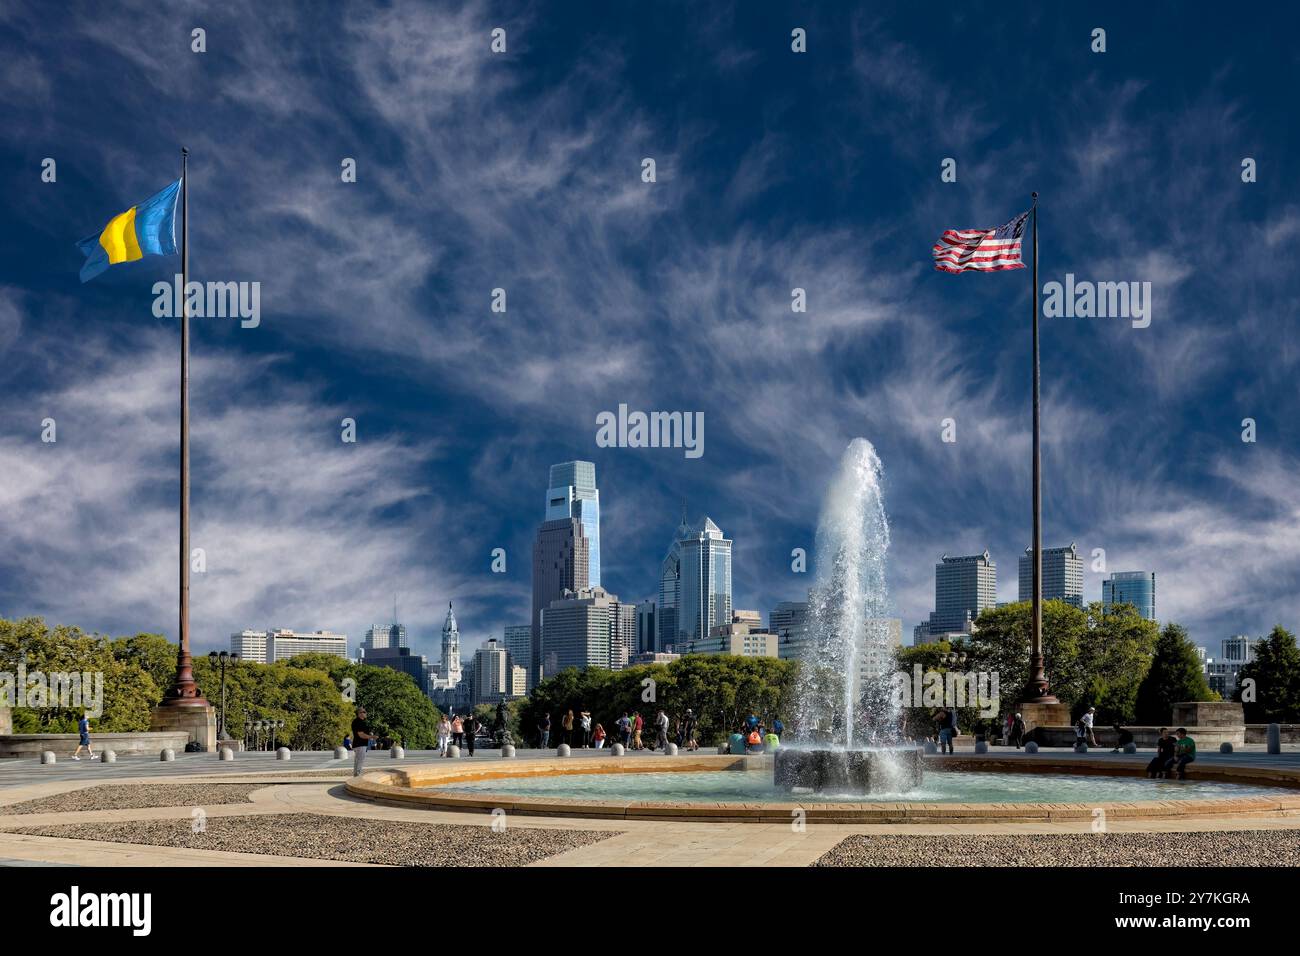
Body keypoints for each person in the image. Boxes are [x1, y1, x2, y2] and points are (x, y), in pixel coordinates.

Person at [351, 706, 377, 777]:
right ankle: (357, 777)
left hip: (359, 744)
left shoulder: (358, 721)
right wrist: (372, 737)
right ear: (359, 713)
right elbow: (361, 735)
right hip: (360, 744)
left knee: (357, 761)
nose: (366, 713)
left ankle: (355, 777)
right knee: (360, 761)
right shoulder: (359, 722)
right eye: (364, 712)